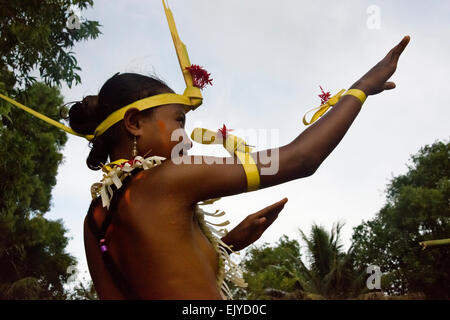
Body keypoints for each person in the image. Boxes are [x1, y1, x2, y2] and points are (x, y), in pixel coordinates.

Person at [68, 34, 410, 300]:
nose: (187, 140)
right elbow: (301, 158)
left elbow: (159, 279)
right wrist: (361, 89)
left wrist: (228, 245)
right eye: (178, 121)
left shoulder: (94, 218)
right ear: (134, 123)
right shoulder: (164, 178)